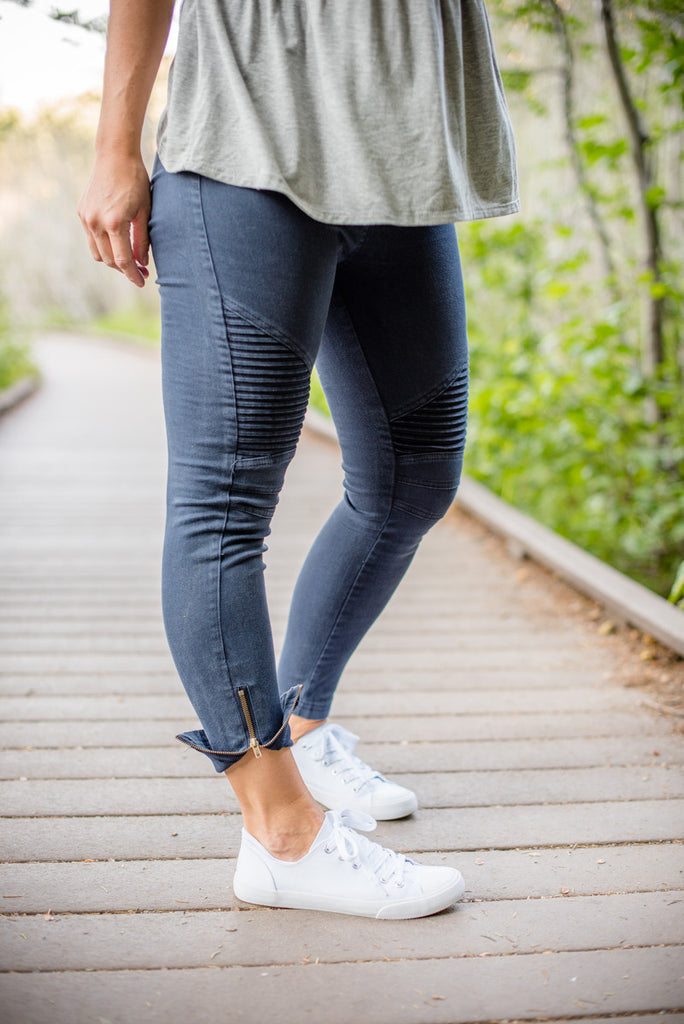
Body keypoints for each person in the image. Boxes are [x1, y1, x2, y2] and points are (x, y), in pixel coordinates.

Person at [79, 0, 518, 920]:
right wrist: (114, 147)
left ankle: (305, 726)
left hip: (400, 165)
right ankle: (281, 834)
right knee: (226, 498)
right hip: (250, 148)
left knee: (415, 473)